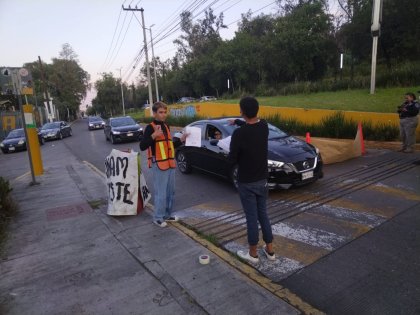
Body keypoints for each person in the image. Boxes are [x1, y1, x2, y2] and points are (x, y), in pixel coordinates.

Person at [228, 96, 275, 264]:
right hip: (262, 179)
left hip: (246, 182)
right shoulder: (264, 127)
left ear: (242, 111)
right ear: (257, 110)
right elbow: (252, 126)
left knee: (251, 217)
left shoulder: (239, 135)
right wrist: (239, 122)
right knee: (263, 215)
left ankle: (253, 254)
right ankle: (270, 251)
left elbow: (232, 158)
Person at [140, 101, 179, 227]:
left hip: (170, 163)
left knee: (170, 191)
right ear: (155, 113)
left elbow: (170, 145)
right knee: (161, 192)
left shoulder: (166, 126)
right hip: (159, 164)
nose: (163, 115)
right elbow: (142, 146)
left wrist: (181, 141)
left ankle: (167, 215)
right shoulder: (150, 127)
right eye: (161, 112)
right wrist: (153, 135)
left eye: (165, 112)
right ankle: (158, 217)